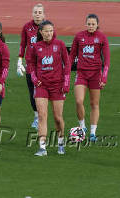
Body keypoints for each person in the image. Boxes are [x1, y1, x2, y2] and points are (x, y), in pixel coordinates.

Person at [26, 20, 71, 156]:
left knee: (58, 118)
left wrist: (66, 83)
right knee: (41, 115)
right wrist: (34, 78)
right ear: (41, 32)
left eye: (51, 30)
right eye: (46, 31)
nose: (49, 33)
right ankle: (42, 147)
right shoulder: (36, 47)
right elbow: (31, 64)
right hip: (42, 86)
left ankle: (61, 142)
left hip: (57, 86)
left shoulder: (60, 44)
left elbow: (67, 64)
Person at [70, 13, 110, 141]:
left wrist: (104, 77)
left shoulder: (102, 37)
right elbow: (71, 56)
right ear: (85, 24)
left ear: (97, 25)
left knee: (94, 103)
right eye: (89, 24)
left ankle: (93, 132)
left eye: (93, 24)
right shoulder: (79, 36)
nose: (91, 26)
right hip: (81, 73)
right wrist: (66, 72)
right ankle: (82, 126)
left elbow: (107, 60)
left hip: (95, 75)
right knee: (79, 101)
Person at [17, 3, 45, 129]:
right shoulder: (27, 27)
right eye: (35, 12)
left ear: (43, 14)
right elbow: (23, 45)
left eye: (40, 12)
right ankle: (36, 116)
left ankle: (42, 116)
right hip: (30, 65)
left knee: (42, 92)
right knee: (32, 93)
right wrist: (19, 61)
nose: (37, 14)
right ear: (32, 13)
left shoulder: (48, 27)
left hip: (44, 66)